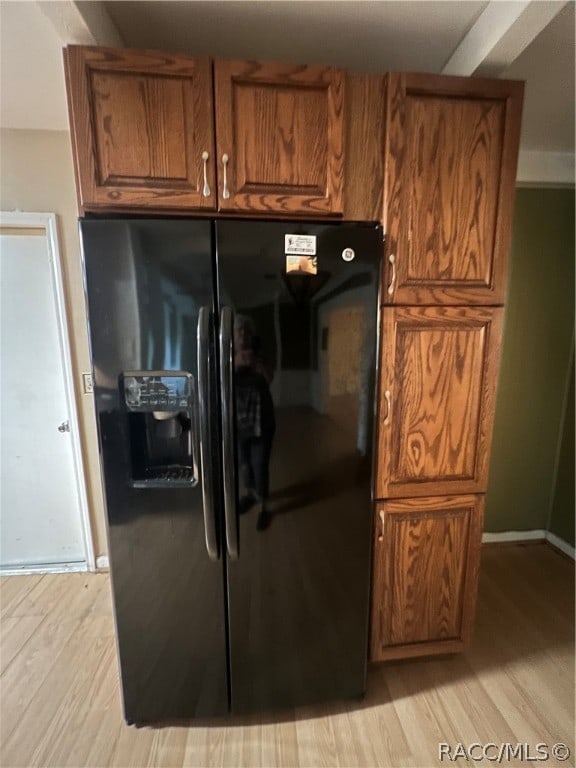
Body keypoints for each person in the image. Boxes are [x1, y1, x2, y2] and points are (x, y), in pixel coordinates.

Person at [233, 315, 275, 530]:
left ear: (252, 336)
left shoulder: (261, 354)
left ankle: (264, 507)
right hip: (238, 423)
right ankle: (250, 494)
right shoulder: (228, 357)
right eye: (239, 331)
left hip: (260, 422)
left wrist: (256, 363)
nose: (242, 336)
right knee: (244, 464)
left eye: (246, 332)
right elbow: (218, 382)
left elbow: (270, 378)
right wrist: (235, 364)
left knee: (260, 465)